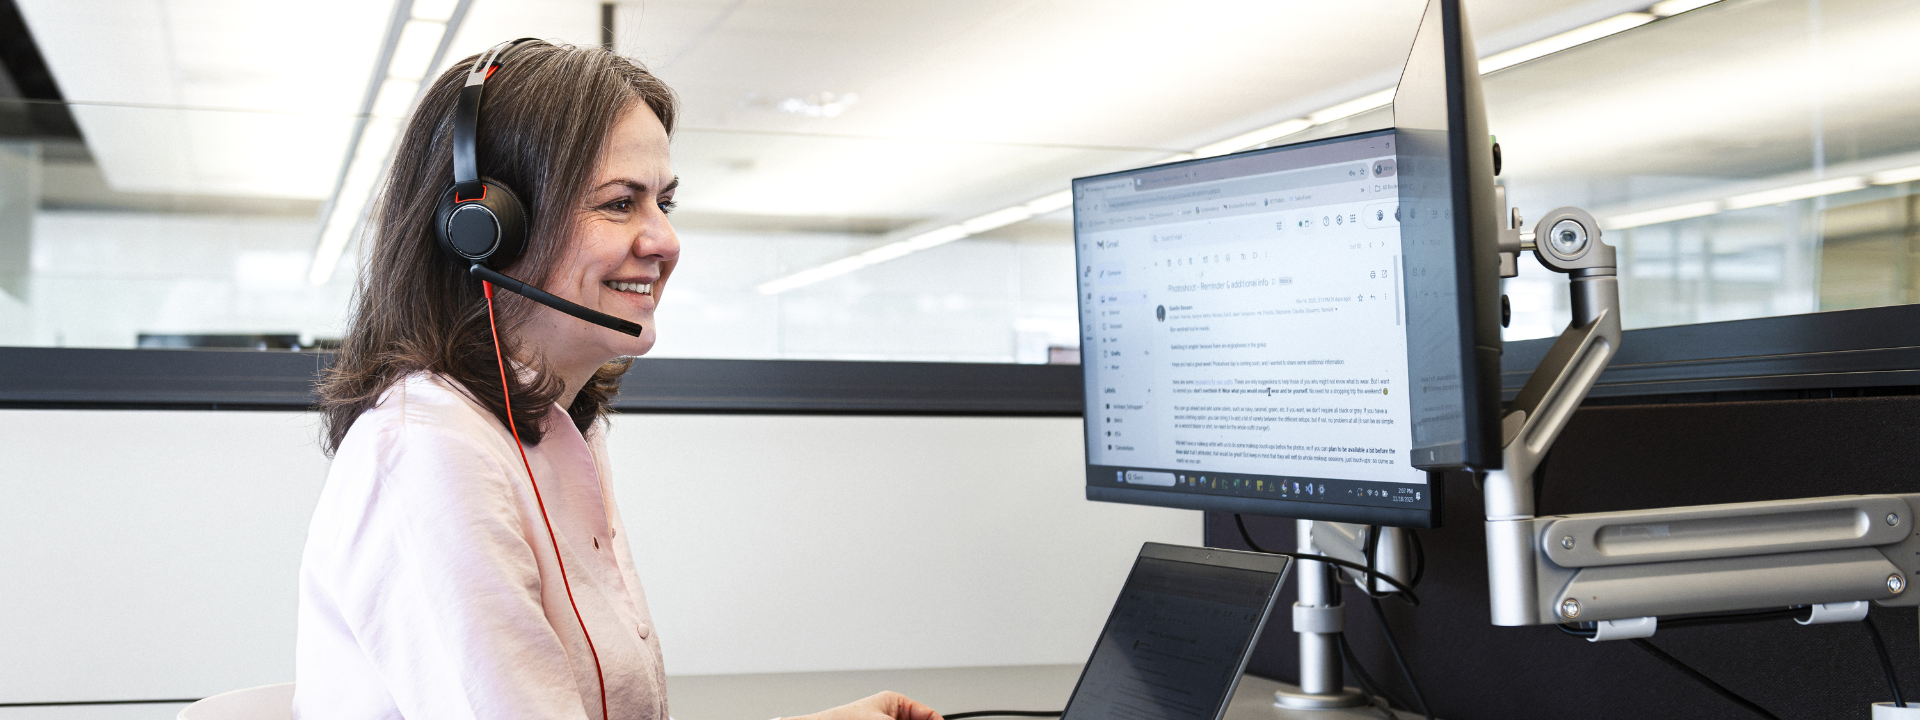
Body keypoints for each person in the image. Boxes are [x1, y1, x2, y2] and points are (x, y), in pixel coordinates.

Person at [296, 40, 941, 720]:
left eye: (664, 202)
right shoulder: (430, 454)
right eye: (619, 204)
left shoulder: (556, 423)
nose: (665, 241)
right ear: (483, 229)